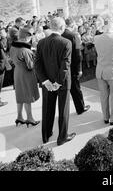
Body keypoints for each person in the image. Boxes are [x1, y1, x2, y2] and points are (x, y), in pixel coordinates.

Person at [35, 17, 76, 146]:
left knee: (47, 108)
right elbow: (65, 65)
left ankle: (46, 135)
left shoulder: (41, 42)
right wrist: (57, 83)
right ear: (62, 28)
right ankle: (62, 137)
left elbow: (37, 64)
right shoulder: (66, 42)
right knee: (63, 109)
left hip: (47, 83)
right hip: (62, 83)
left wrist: (46, 81)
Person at [9, 26, 40, 126]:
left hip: (17, 72)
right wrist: (35, 56)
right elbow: (30, 66)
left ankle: (19, 117)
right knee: (27, 97)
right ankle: (30, 118)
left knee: (20, 96)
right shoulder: (25, 50)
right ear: (27, 37)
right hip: (26, 74)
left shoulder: (13, 47)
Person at [62, 18, 90, 115]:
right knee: (76, 88)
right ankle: (81, 107)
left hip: (63, 66)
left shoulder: (60, 34)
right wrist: (79, 69)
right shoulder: (74, 35)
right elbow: (78, 54)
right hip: (73, 66)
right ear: (73, 25)